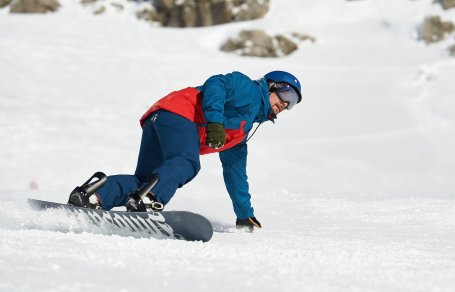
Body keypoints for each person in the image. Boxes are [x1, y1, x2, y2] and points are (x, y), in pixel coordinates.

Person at [68, 70, 302, 231]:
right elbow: (217, 83)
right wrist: (214, 122)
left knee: (146, 180)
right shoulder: (250, 90)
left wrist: (244, 214)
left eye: (292, 104)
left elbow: (235, 173)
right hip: (180, 112)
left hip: (159, 118)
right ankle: (149, 201)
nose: (286, 105)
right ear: (273, 86)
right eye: (287, 96)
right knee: (187, 163)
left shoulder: (241, 134)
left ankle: (94, 195)